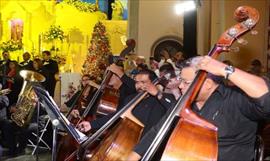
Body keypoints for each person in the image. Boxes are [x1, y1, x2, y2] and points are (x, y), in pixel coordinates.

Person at [128, 56, 270, 161]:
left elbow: (266, 99)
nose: (180, 86)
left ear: (207, 84)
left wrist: (223, 69)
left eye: (186, 82)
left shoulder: (235, 99)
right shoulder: (184, 104)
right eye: (181, 81)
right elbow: (156, 131)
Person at [78, 69, 176, 139]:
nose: (139, 85)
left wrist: (158, 94)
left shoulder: (159, 101)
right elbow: (115, 115)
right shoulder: (130, 98)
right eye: (137, 82)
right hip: (125, 141)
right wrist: (91, 124)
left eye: (143, 82)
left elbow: (174, 110)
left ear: (153, 83)